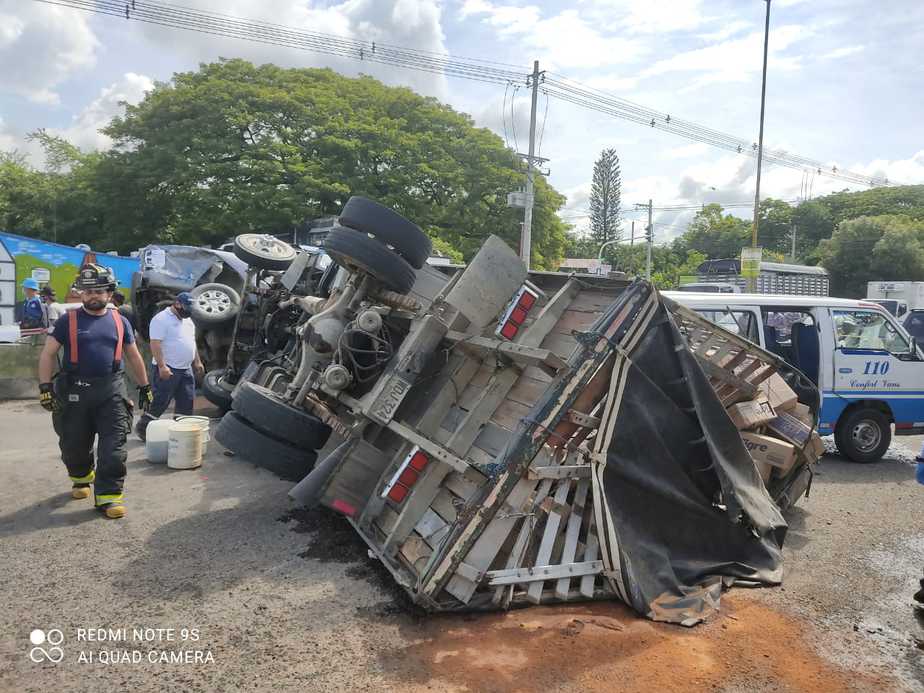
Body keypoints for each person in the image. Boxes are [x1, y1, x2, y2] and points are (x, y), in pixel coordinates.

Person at [37, 264, 153, 519]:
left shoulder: (120, 321)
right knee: (73, 446)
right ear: (80, 293)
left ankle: (109, 497)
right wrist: (45, 387)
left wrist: (145, 387)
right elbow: (47, 355)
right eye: (87, 291)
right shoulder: (68, 321)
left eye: (99, 290)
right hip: (74, 392)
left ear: (110, 293)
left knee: (114, 448)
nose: (93, 296)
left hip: (111, 391)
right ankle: (81, 477)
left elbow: (134, 357)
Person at [134, 292, 204, 443]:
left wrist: (196, 361)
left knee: (187, 400)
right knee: (161, 401)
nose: (189, 312)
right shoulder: (161, 319)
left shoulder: (188, 320)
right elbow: (155, 343)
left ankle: (181, 431)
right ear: (177, 304)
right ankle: (143, 428)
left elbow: (191, 341)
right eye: (186, 308)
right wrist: (162, 366)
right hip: (168, 368)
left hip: (185, 368)